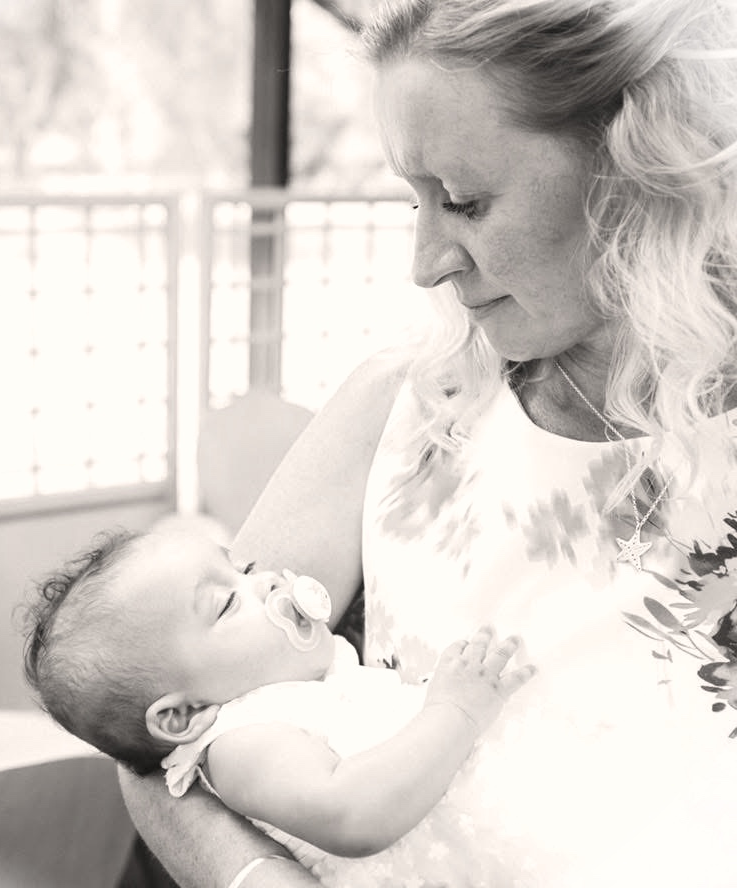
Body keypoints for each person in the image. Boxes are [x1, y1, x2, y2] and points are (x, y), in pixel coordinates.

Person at [118, 0, 737, 885]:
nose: (425, 262)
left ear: (641, 170)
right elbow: (160, 731)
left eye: (464, 202)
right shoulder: (404, 408)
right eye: (414, 200)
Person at [23, 528, 536, 887]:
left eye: (242, 569)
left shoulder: (312, 680)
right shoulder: (242, 743)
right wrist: (455, 711)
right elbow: (353, 814)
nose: (264, 582)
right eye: (227, 603)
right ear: (183, 716)